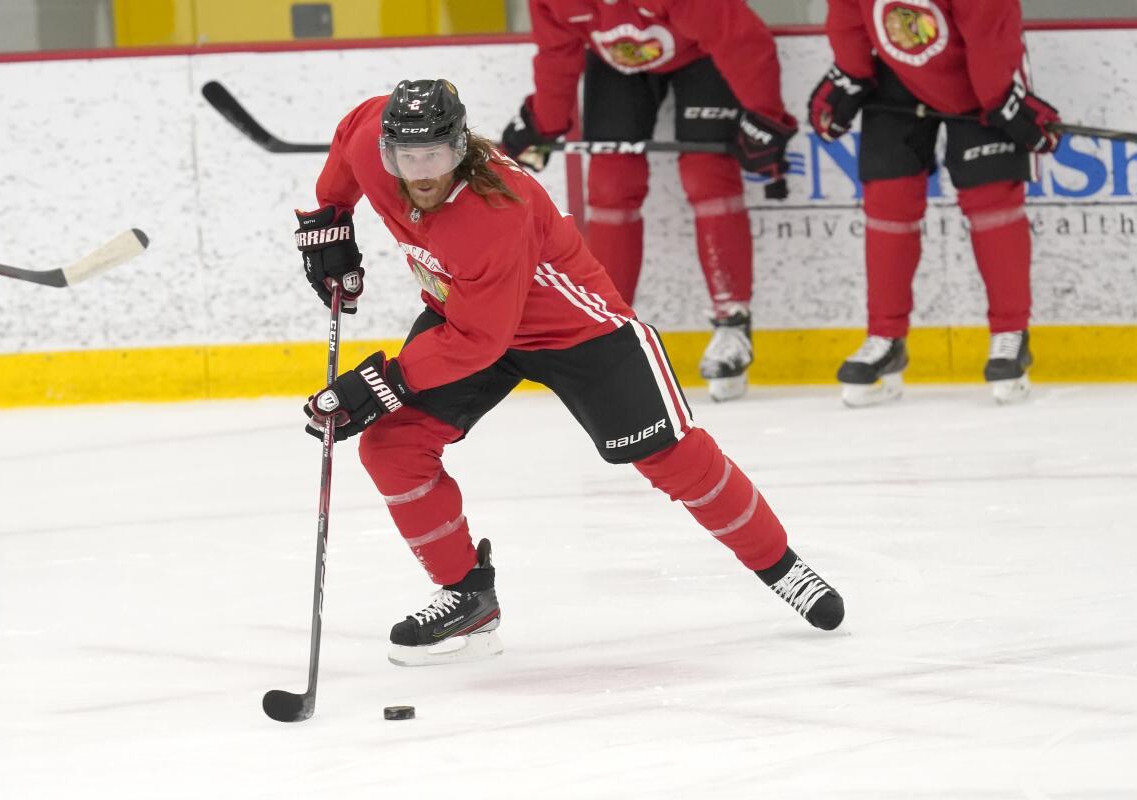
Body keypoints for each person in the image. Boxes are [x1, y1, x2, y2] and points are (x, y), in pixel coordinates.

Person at [293, 78, 843, 667]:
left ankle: (782, 567)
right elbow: (351, 133)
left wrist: (378, 382)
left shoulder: (495, 211)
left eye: (437, 157)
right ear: (388, 151)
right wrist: (329, 221)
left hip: (578, 332)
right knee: (392, 446)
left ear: (462, 148)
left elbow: (479, 340)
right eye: (407, 157)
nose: (422, 173)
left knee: (672, 458)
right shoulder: (375, 139)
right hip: (467, 316)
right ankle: (467, 597)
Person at [499, 0, 798, 402]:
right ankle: (602, 329)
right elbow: (558, 51)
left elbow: (742, 38)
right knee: (609, 184)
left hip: (702, 55)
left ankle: (732, 321)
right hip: (618, 65)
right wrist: (545, 122)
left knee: (707, 174)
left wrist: (766, 116)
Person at [808, 0, 1060, 406]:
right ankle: (885, 337)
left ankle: (1010, 334)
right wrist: (851, 72)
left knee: (991, 201)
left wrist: (1002, 99)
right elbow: (847, 14)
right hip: (895, 79)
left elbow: (990, 31)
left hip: (981, 74)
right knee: (888, 202)